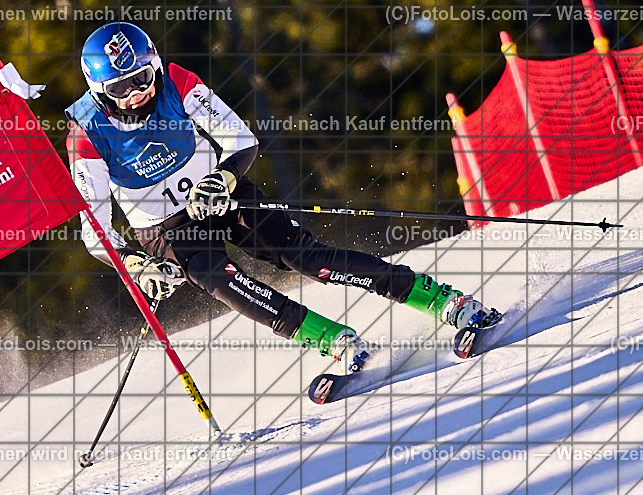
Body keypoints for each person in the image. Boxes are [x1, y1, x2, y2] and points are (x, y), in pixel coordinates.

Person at [65, 22, 496, 375]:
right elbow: (94, 230)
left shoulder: (177, 82)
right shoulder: (87, 133)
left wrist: (223, 180)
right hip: (168, 230)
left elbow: (240, 140)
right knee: (228, 284)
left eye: (141, 78)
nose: (136, 93)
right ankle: (334, 342)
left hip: (219, 195)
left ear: (154, 65)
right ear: (99, 90)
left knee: (309, 258)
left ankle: (444, 301)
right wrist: (138, 265)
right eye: (120, 88)